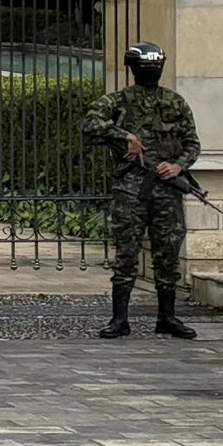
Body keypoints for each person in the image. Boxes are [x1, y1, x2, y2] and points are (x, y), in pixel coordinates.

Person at [83, 41, 200, 340]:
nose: (152, 70)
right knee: (126, 254)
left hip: (167, 191)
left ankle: (167, 317)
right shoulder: (117, 101)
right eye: (146, 66)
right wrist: (125, 136)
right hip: (131, 190)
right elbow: (89, 124)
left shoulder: (175, 102)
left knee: (168, 254)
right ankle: (119, 319)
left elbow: (192, 143)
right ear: (134, 68)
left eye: (155, 65)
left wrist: (177, 166)